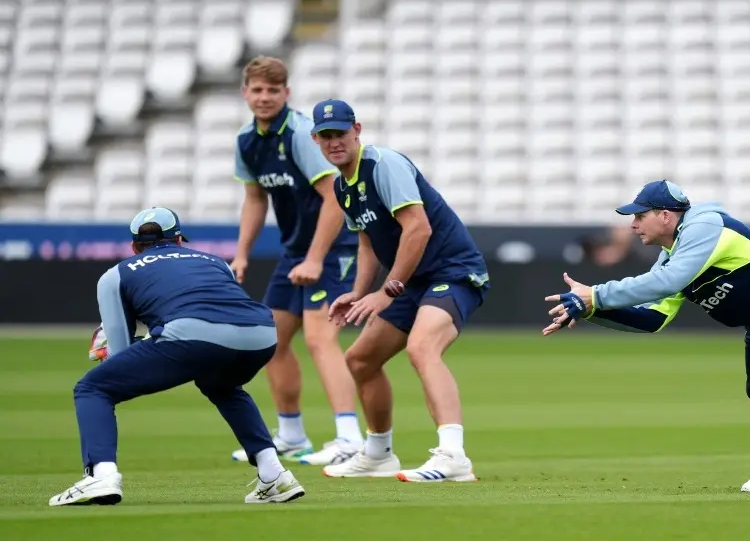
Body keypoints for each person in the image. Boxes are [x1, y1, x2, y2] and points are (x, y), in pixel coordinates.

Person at [542, 180, 750, 493]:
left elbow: (668, 280)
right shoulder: (673, 254)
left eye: (639, 216)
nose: (632, 225)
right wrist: (591, 309)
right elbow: (652, 319)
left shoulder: (705, 226)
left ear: (665, 216)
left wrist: (596, 294)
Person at [51, 208, 306, 506]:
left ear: (134, 247)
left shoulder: (116, 274)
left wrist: (112, 352)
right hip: (262, 333)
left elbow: (120, 354)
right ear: (181, 241)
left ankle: (101, 475)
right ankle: (274, 473)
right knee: (221, 385)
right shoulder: (216, 262)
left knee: (93, 388)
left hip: (192, 334)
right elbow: (220, 305)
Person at [309, 99, 490, 482]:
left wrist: (387, 292)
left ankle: (453, 456)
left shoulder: (383, 165)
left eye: (339, 133)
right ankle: (377, 454)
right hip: (414, 281)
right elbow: (368, 244)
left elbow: (418, 228)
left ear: (357, 129)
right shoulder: (343, 186)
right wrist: (359, 292)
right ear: (316, 140)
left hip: (453, 271)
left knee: (422, 348)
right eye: (325, 136)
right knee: (360, 359)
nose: (333, 142)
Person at [230, 56, 365, 467]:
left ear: (286, 93)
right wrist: (241, 255)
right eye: (258, 89)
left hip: (335, 247)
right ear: (246, 93)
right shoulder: (247, 141)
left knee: (319, 339)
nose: (265, 97)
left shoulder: (304, 134)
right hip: (296, 253)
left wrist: (314, 258)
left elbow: (333, 198)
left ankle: (349, 439)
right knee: (270, 341)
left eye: (274, 90)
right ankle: (291, 435)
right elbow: (255, 198)